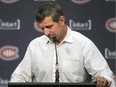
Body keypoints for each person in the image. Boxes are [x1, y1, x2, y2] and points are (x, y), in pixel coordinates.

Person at [10, 2, 115, 87]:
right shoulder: (35, 46)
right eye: (42, 28)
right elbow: (19, 77)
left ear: (61, 20)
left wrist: (103, 78)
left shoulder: (83, 44)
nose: (45, 33)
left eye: (49, 27)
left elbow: (103, 72)